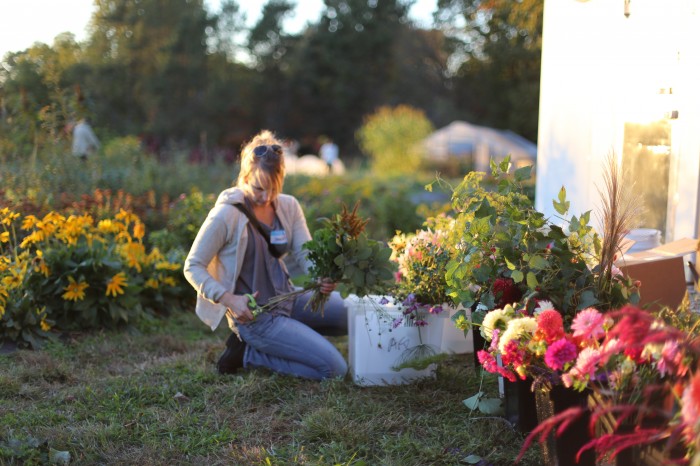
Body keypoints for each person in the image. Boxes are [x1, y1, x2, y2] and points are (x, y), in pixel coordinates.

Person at [183, 130, 348, 380]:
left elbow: (306, 254)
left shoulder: (288, 206)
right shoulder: (226, 215)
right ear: (245, 176)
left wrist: (322, 276)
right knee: (334, 370)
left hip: (289, 299)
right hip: (256, 318)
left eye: (273, 189)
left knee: (354, 315)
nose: (265, 197)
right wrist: (228, 299)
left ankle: (293, 339)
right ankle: (248, 354)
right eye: (259, 187)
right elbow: (192, 266)